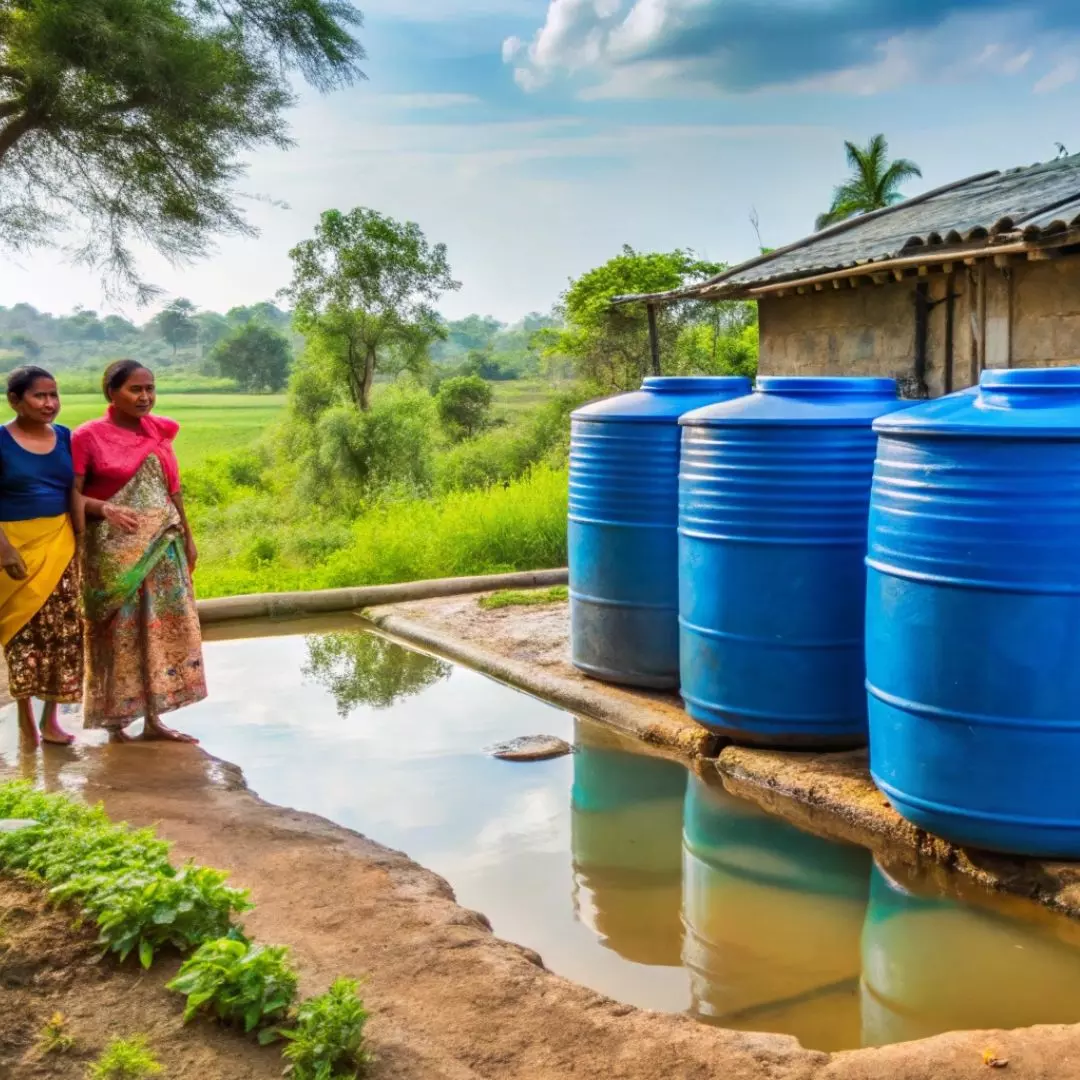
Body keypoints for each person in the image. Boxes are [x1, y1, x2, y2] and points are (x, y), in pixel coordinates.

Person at [73, 360, 206, 743]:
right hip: (112, 551)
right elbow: (72, 495)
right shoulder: (88, 437)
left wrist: (189, 537)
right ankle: (116, 724)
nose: (145, 397)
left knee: (162, 630)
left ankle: (155, 719)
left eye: (150, 388)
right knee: (119, 630)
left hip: (164, 545)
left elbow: (173, 490)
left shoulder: (159, 434)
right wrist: (105, 509)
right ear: (111, 392)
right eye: (135, 389)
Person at [0, 366, 83, 747]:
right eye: (39, 396)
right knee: (22, 633)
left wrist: (80, 539)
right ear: (15, 400)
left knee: (64, 634)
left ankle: (53, 719)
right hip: (15, 547)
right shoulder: (1, 441)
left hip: (60, 543)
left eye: (54, 395)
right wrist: (4, 549)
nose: (50, 403)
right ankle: (23, 719)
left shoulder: (64, 437)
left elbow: (74, 492)